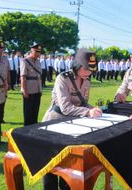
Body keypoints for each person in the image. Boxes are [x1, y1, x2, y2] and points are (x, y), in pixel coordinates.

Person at [42, 48, 102, 190]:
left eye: (92, 69)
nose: (90, 72)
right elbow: (65, 108)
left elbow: (83, 102)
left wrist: (93, 108)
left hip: (73, 124)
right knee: (51, 164)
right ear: (78, 65)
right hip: (54, 122)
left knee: (69, 162)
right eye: (87, 69)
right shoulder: (62, 78)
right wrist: (88, 112)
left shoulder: (86, 81)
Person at [20, 43, 42, 126]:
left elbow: (39, 76)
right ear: (31, 51)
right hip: (29, 90)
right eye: (36, 51)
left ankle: (34, 128)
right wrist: (24, 90)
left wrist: (40, 89)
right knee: (28, 112)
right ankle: (27, 130)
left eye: (39, 52)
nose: (38, 53)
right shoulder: (25, 61)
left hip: (37, 89)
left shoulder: (38, 62)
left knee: (35, 112)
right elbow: (23, 77)